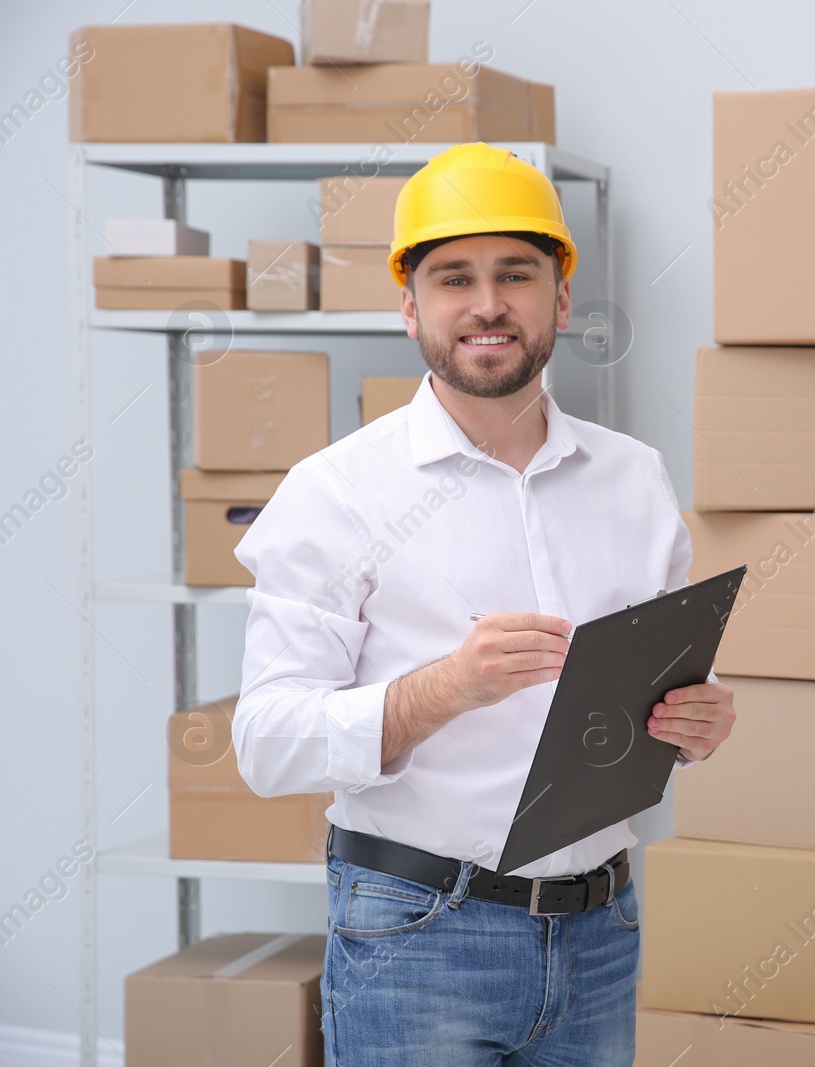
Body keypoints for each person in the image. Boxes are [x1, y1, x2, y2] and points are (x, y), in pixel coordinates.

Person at [231, 142, 736, 1066]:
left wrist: (696, 718)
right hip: (418, 934)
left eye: (517, 273)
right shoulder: (338, 491)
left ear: (562, 299)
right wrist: (445, 688)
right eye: (454, 277)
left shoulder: (633, 478)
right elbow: (265, 741)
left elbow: (655, 688)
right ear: (411, 306)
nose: (489, 303)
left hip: (600, 926)